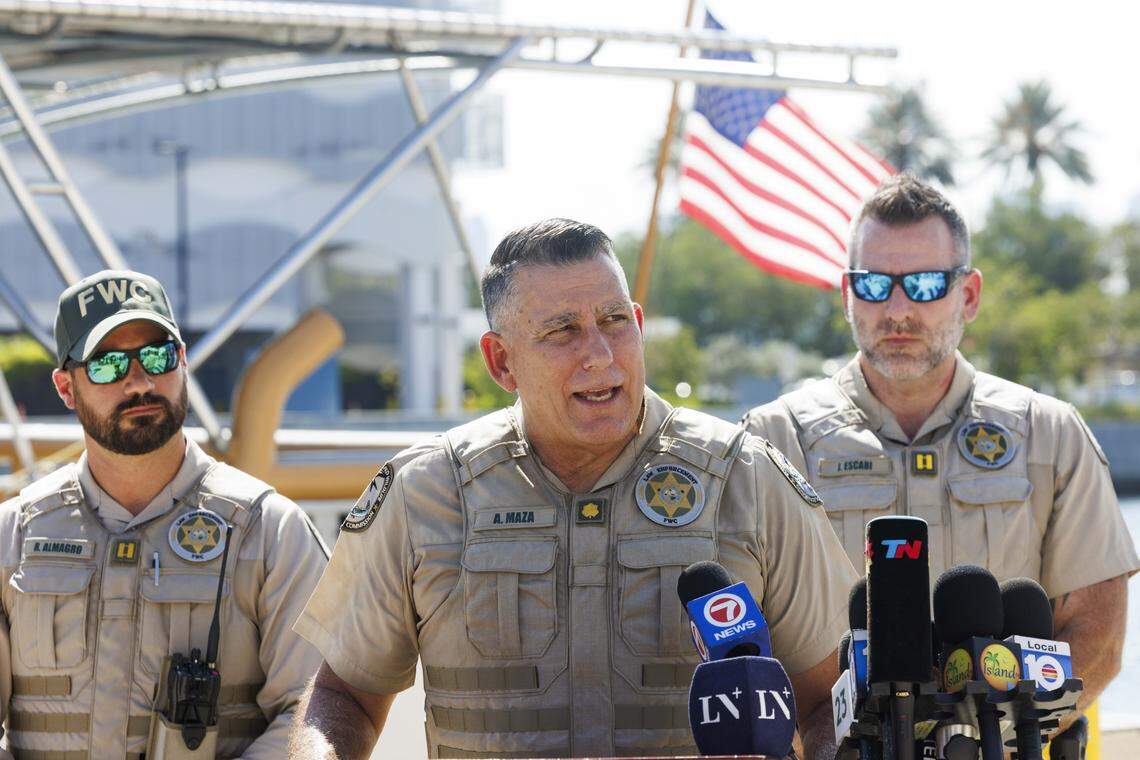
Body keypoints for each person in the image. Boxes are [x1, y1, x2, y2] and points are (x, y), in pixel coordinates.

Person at [288, 219, 858, 759]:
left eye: (614, 321)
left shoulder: (746, 478)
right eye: (562, 331)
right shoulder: (427, 491)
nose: (600, 355)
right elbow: (345, 697)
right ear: (501, 361)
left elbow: (827, 701)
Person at [741, 174, 1140, 718]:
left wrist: (1000, 736)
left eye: (926, 285)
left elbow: (1098, 637)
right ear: (846, 293)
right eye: (875, 284)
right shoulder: (772, 441)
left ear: (968, 294)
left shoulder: (1051, 434)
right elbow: (747, 644)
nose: (898, 310)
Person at [0, 270, 329, 758]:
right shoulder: (14, 534)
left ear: (184, 364)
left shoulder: (269, 531)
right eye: (109, 365)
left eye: (157, 355)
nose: (140, 381)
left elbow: (316, 714)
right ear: (66, 388)